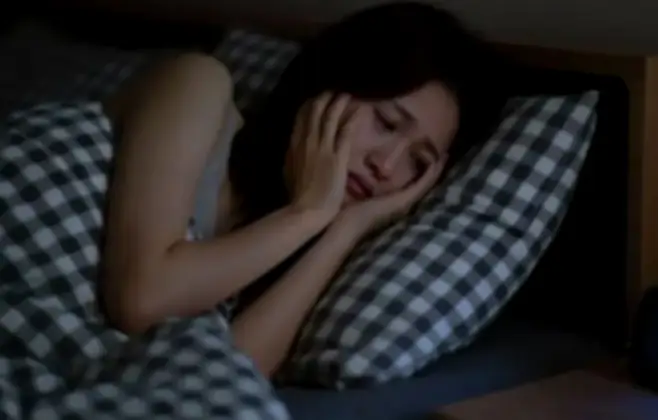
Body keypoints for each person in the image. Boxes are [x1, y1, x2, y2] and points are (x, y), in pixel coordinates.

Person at [100, 2, 504, 377]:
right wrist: (308, 212)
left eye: (417, 162)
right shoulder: (197, 84)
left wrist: (342, 230)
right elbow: (142, 299)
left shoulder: (287, 241)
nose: (386, 166)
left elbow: (224, 377)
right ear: (329, 84)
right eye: (386, 123)